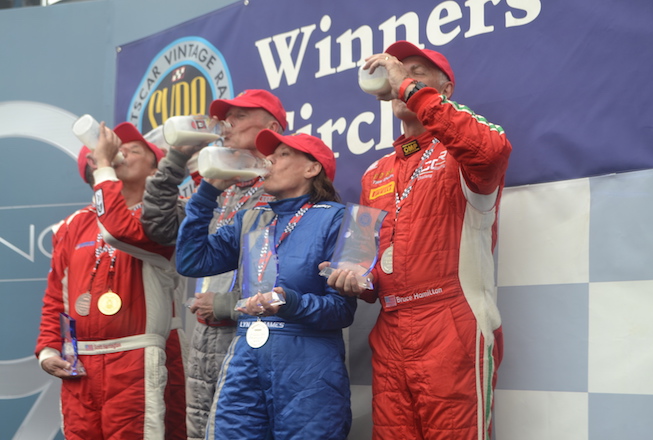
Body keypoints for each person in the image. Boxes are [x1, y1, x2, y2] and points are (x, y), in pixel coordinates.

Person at [320, 40, 512, 440]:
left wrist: (409, 88)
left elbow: (492, 151)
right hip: (390, 329)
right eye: (397, 71)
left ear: (445, 89)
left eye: (415, 72)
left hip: (452, 323)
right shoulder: (374, 171)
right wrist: (352, 277)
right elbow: (361, 262)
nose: (398, 78)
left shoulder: (466, 149)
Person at [176, 130, 356, 440]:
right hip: (246, 353)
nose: (269, 160)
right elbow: (192, 261)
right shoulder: (251, 218)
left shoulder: (337, 219)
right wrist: (207, 193)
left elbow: (342, 310)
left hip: (308, 364)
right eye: (270, 154)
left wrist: (291, 303)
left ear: (312, 168)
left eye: (283, 154)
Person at [140, 89, 287, 440]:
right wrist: (177, 157)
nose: (227, 124)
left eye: (239, 116)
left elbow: (290, 277)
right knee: (202, 431)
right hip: (205, 334)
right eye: (226, 117)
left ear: (271, 128)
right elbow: (158, 227)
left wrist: (227, 304)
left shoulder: (285, 190)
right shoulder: (219, 186)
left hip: (255, 334)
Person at [35, 121, 182, 440]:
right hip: (79, 364)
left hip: (135, 358)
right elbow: (56, 296)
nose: (121, 152)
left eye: (134, 149)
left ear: (155, 170)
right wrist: (48, 349)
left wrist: (104, 164)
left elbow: (119, 231)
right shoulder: (72, 225)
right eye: (118, 148)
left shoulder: (164, 219)